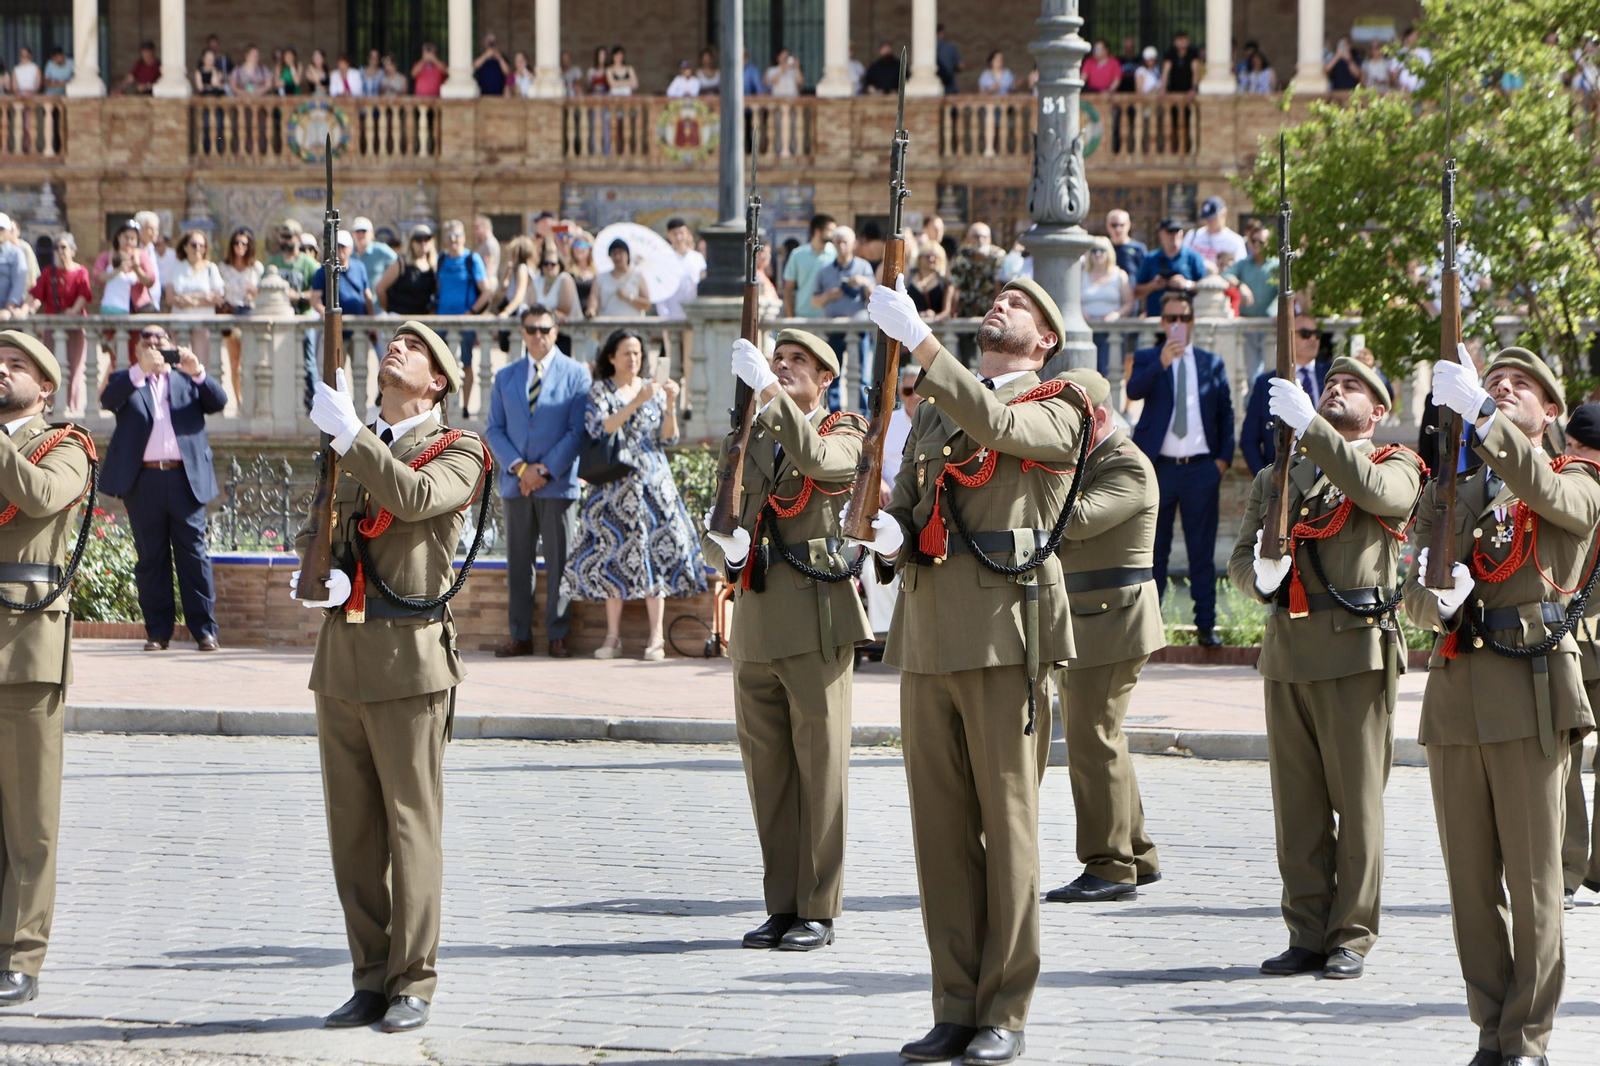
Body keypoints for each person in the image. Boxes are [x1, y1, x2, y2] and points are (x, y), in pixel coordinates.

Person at [856, 275, 1085, 1064]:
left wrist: (921, 344)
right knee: (941, 835)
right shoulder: (933, 410)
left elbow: (994, 423)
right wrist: (892, 535)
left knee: (1009, 827)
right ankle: (954, 1000)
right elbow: (922, 508)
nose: (1001, 307)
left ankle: (1005, 1009)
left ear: (1046, 338)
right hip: (928, 637)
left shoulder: (1061, 404)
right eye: (997, 300)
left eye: (1020, 305)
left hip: (1004, 635)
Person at [1406, 347, 1600, 1065]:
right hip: (1457, 696)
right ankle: (1489, 1027)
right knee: (1468, 885)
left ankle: (1528, 1037)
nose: (1503, 390)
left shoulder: (1574, 478)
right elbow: (1417, 590)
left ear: (1549, 413)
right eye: (1492, 383)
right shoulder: (1452, 489)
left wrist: (1486, 416)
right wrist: (1440, 603)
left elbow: (1560, 505)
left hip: (1531, 691)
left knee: (1534, 880)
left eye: (1521, 387)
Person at [296, 320, 487, 1035]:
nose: (395, 349)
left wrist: (352, 438)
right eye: (391, 343)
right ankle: (369, 977)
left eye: (415, 348)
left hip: (410, 658)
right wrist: (323, 572)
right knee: (352, 832)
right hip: (341, 657)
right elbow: (335, 528)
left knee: (410, 826)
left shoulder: (458, 447)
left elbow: (410, 498)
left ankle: (414, 979)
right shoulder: (352, 442)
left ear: (438, 380)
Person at [1232, 357, 1423, 981]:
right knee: (1298, 806)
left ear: (1380, 411)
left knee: (1357, 803)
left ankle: (1353, 933)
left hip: (1354, 651)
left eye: (1353, 388)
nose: (1337, 391)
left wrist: (1310, 426)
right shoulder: (1279, 475)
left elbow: (1381, 497)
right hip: (1287, 652)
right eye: (1331, 385)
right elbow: (1241, 555)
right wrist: (1258, 578)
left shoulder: (1392, 463)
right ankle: (1306, 930)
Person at [702, 329, 870, 952]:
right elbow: (721, 515)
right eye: (778, 360)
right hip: (755, 615)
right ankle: (782, 903)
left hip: (815, 617)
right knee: (768, 774)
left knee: (820, 770)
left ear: (825, 377)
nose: (783, 367)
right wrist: (725, 545)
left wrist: (770, 393)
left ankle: (818, 908)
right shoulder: (751, 434)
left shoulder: (846, 429)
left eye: (798, 361)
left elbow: (823, 467)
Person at [1044, 368, 1166, 905]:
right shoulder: (1093, 461)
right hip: (1091, 618)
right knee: (1101, 736)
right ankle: (1136, 852)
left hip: (1113, 620)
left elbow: (1074, 520)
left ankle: (1109, 865)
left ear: (1094, 418)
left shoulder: (1127, 465)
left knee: (1093, 739)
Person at [0, 330, 93, 1010]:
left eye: (16, 366)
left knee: (29, 818)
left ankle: (21, 955)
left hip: (24, 639)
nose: (2, 372)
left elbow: (35, 496)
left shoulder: (65, 446)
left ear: (47, 387)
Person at [562, 329, 705, 659]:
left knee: (655, 552)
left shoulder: (652, 390)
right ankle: (612, 636)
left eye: (638, 353)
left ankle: (656, 637)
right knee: (612, 552)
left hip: (652, 482)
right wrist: (637, 401)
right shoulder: (600, 389)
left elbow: (668, 438)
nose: (634, 358)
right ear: (611, 356)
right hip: (613, 484)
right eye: (627, 352)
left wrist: (669, 403)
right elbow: (601, 428)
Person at [98, 324, 228, 652]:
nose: (154, 346)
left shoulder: (187, 380)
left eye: (161, 340)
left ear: (172, 345)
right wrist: (140, 371)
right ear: (137, 349)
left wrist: (197, 370)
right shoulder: (124, 381)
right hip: (144, 481)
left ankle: (204, 631)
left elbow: (218, 401)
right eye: (147, 341)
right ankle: (158, 632)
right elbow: (107, 400)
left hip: (185, 478)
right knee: (151, 558)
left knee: (193, 555)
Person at [1126, 291, 1234, 648]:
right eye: (1172, 318)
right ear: (1162, 322)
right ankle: (1151, 628)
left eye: (1184, 318)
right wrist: (1161, 362)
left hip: (1201, 469)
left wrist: (1222, 460)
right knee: (1154, 551)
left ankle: (1206, 626)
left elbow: (1225, 413)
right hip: (1159, 469)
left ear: (1192, 322)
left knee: (1201, 552)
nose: (1178, 325)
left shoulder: (1210, 363)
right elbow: (1134, 390)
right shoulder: (1147, 358)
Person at [485, 306, 591, 659]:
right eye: (531, 329)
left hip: (558, 484)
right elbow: (494, 430)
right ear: (522, 332)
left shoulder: (577, 375)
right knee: (518, 562)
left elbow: (578, 431)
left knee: (560, 561)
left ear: (556, 331)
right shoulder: (505, 377)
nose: (538, 335)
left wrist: (543, 471)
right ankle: (520, 635)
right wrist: (521, 469)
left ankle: (558, 636)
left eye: (544, 329)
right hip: (517, 485)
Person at [1562, 403, 1600, 906]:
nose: (1571, 456)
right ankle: (1566, 869)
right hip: (1566, 639)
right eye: (1567, 446)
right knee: (1562, 763)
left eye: (1583, 448)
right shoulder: (1558, 490)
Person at [1240, 312, 1325, 474]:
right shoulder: (1267, 383)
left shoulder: (1332, 376)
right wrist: (1265, 479)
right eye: (1306, 334)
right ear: (1288, 338)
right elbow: (1249, 440)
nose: (1313, 339)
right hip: (1284, 477)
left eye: (1317, 334)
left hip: (1326, 476)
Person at [810, 227, 875, 412]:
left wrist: (864, 283)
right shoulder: (824, 271)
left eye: (845, 241)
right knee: (832, 375)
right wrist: (828, 296)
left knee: (862, 375)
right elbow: (814, 300)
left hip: (858, 329)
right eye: (837, 242)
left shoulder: (863, 267)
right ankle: (835, 414)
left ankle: (863, 415)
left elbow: (874, 298)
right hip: (833, 329)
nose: (841, 246)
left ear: (854, 244)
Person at [28, 235, 90, 413]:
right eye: (56, 248)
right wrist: (26, 308)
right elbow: (36, 294)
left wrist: (74, 310)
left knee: (74, 368)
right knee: (51, 367)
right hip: (52, 327)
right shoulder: (49, 272)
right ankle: (52, 406)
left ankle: (71, 405)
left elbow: (83, 294)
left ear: (72, 250)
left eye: (63, 247)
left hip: (75, 327)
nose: (60, 251)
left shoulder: (81, 271)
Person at [436, 220, 490, 414]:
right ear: (444, 239)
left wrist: (472, 312)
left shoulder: (472, 259)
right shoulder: (441, 259)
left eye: (457, 235)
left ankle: (465, 406)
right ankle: (446, 407)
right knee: (440, 366)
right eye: (449, 236)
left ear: (464, 238)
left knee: (466, 363)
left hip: (464, 322)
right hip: (441, 321)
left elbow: (486, 291)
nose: (453, 240)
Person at [165, 230, 225, 374]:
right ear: (185, 247)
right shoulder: (177, 268)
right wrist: (203, 297)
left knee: (202, 363)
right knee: (178, 362)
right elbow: (170, 297)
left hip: (204, 322)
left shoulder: (211, 268)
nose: (198, 248)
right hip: (179, 321)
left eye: (201, 245)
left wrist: (189, 300)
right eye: (193, 244)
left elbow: (218, 297)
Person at [217, 228, 261, 409]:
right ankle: (240, 402)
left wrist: (255, 292)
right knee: (235, 362)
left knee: (250, 361)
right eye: (237, 242)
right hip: (231, 315)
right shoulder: (223, 268)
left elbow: (262, 295)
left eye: (244, 243)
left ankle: (252, 400)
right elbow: (219, 293)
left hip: (249, 315)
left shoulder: (256, 268)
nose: (240, 246)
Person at [949, 222, 1004, 366]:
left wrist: (998, 311)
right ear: (968, 239)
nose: (980, 240)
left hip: (989, 313)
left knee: (990, 358)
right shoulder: (962, 255)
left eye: (984, 237)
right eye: (976, 236)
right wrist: (948, 311)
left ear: (990, 239)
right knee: (966, 360)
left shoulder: (997, 256)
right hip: (966, 312)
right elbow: (953, 284)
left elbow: (1000, 285)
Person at [1080, 236, 1134, 377]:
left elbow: (1129, 303)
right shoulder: (1081, 274)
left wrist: (1117, 314)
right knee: (1087, 374)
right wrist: (1079, 313)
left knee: (1110, 374)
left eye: (1102, 250)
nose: (1098, 254)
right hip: (1087, 331)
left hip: (1111, 333)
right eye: (1094, 250)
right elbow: (1071, 301)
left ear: (1109, 253)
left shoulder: (1120, 275)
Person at [1133, 218, 1206, 317]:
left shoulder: (1193, 258)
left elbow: (1205, 288)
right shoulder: (1150, 259)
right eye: (1170, 232)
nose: (1174, 235)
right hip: (1157, 318)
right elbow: (1137, 292)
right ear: (1161, 234)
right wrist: (1153, 285)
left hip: (1182, 319)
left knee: (1178, 331)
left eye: (1178, 231)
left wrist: (1186, 284)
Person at [781, 214, 836, 319]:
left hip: (828, 318)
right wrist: (791, 317)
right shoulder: (797, 255)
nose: (833, 234)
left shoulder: (835, 254)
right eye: (830, 230)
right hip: (802, 316)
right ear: (817, 230)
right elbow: (788, 288)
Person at [377, 225, 438, 315]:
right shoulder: (401, 263)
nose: (423, 242)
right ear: (411, 242)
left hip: (422, 319)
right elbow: (380, 288)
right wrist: (387, 311)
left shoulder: (434, 266)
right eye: (418, 239)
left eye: (427, 238)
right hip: (400, 318)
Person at [590, 240, 650, 318]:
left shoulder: (637, 276)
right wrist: (591, 310)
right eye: (614, 253)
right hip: (607, 326)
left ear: (627, 255)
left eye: (620, 252)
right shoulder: (601, 277)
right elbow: (594, 298)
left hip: (632, 327)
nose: (617, 256)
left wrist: (628, 297)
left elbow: (647, 304)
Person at [1182, 197, 1248, 269]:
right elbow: (1183, 261)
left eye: (1212, 218)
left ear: (1224, 214)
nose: (1208, 221)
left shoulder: (1235, 240)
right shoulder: (1192, 236)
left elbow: (1241, 269)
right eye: (1206, 218)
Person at [907, 242, 953, 321]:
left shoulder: (945, 282)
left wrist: (936, 316)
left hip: (937, 329)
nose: (931, 259)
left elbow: (947, 311)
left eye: (935, 257)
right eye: (927, 256)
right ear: (919, 258)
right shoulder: (907, 277)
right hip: (910, 325)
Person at [348, 217, 396, 294]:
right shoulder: (347, 253)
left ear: (372, 233)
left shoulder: (381, 251)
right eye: (357, 231)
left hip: (377, 304)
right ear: (352, 234)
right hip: (355, 304)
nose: (360, 235)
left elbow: (398, 264)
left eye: (364, 231)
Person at [0, 216, 29, 318]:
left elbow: (18, 283)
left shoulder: (16, 254)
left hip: (6, 314)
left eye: (2, 229)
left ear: (9, 232)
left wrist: (8, 308)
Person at [935, 24, 963, 93]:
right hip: (949, 86)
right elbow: (961, 66)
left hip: (932, 86)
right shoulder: (950, 47)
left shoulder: (926, 49)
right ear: (941, 33)